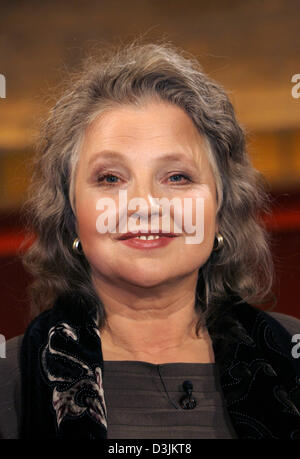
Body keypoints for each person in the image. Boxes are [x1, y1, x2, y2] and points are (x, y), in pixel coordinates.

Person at [1, 41, 300, 440]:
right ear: (72, 216)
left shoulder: (292, 356)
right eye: (110, 178)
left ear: (221, 208)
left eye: (177, 177)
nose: (144, 204)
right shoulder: (10, 380)